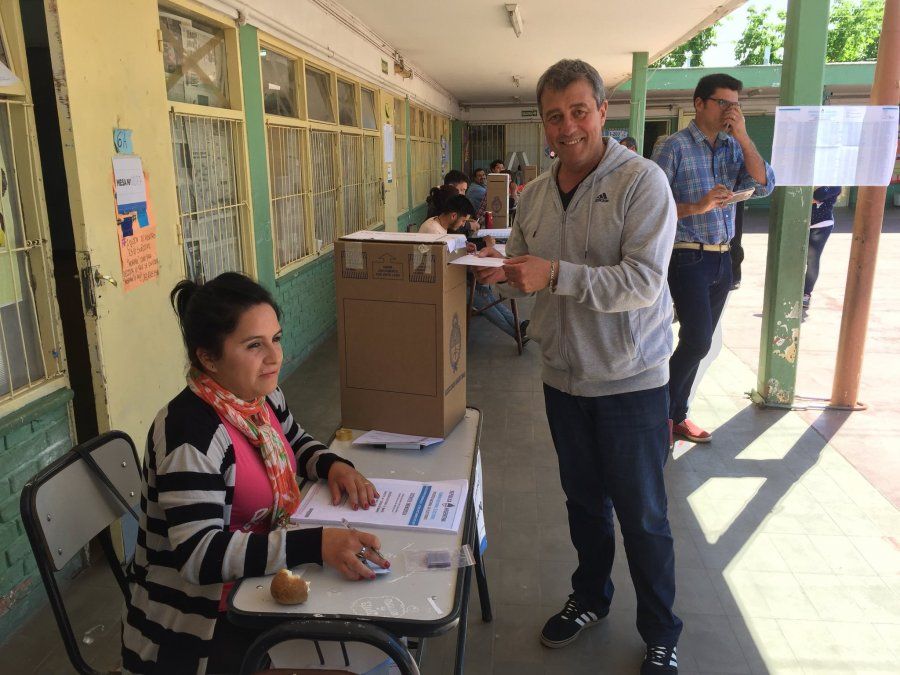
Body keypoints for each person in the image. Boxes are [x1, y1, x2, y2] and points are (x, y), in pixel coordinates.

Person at [476, 58, 681, 674]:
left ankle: (661, 632)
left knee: (643, 516)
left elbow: (643, 282)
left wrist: (555, 275)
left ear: (602, 110)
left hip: (630, 382)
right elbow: (523, 269)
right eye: (554, 116)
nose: (567, 128)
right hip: (563, 379)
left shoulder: (642, 182)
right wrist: (495, 272)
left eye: (578, 112)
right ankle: (590, 598)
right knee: (584, 504)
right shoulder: (537, 194)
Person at [122, 273, 388, 674]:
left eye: (276, 339)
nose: (274, 357)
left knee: (374, 634)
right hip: (198, 627)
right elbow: (198, 556)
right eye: (254, 345)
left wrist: (333, 465)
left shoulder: (259, 397)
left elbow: (294, 441)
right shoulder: (190, 432)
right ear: (208, 359)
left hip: (257, 590)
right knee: (364, 662)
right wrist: (316, 545)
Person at [653, 73, 774, 443]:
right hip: (687, 255)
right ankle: (659, 415)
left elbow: (764, 184)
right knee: (698, 340)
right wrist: (697, 206)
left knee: (698, 343)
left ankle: (675, 415)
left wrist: (744, 137)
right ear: (699, 103)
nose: (730, 111)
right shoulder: (673, 147)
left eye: (735, 105)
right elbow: (649, 207)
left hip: (723, 258)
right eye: (723, 103)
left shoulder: (733, 147)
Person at [421, 186, 524, 342]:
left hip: (445, 279)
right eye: (463, 220)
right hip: (435, 285)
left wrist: (464, 247)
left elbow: (448, 252)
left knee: (484, 291)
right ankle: (516, 333)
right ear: (453, 215)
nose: (463, 224)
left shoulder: (438, 224)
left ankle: (520, 326)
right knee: (479, 297)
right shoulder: (433, 232)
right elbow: (437, 265)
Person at [804, 186, 842, 312]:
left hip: (821, 226)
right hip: (800, 223)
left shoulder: (834, 183)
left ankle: (806, 294)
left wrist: (808, 196)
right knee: (794, 257)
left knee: (812, 259)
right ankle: (791, 289)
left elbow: (819, 195)